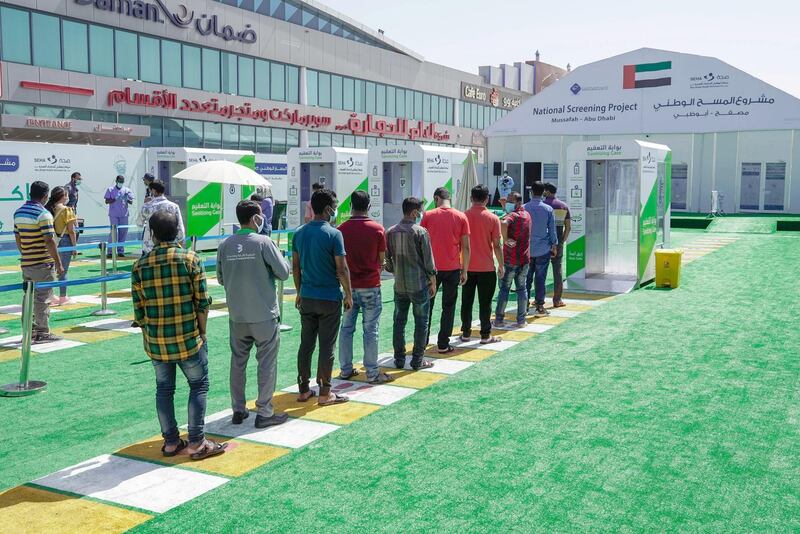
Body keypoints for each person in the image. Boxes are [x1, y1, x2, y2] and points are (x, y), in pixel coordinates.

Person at [132, 210, 225, 461]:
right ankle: (197, 442)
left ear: (152, 234)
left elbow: (139, 311)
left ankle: (171, 442)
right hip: (188, 337)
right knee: (198, 385)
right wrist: (202, 332)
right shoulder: (191, 259)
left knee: (164, 389)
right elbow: (202, 302)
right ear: (178, 231)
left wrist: (148, 334)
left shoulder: (140, 265)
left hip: (157, 341)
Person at [217, 200, 290, 428]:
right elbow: (283, 272)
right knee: (266, 362)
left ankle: (238, 410)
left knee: (238, 362)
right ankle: (265, 412)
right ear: (255, 218)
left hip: (237, 315)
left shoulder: (225, 244)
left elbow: (220, 278)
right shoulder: (263, 242)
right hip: (264, 314)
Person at [292, 188, 353, 406]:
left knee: (306, 344)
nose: (335, 211)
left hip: (307, 296)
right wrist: (348, 293)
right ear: (328, 209)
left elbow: (296, 268)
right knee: (327, 346)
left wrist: (299, 292)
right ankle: (325, 392)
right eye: (335, 208)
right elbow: (342, 268)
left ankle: (302, 389)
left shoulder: (299, 233)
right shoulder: (334, 234)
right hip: (329, 298)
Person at [337, 190, 393, 384]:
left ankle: (345, 369)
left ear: (350, 206)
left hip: (348, 287)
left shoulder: (341, 230)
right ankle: (371, 372)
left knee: (346, 329)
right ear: (369, 206)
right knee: (371, 330)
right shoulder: (378, 229)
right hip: (371, 285)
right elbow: (381, 260)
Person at [385, 197, 437, 370]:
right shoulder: (420, 232)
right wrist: (433, 281)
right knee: (421, 322)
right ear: (415, 212)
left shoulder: (390, 232)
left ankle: (399, 359)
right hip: (419, 284)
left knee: (399, 322)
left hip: (399, 284)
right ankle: (417, 360)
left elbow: (388, 260)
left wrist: (395, 269)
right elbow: (428, 261)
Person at [13, 181, 64, 343]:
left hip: (27, 262)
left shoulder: (18, 212)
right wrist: (58, 263)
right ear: (45, 196)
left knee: (28, 297)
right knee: (43, 298)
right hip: (42, 263)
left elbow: (17, 236)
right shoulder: (43, 214)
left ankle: (29, 331)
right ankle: (42, 332)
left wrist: (25, 253)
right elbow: (49, 241)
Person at [421, 187, 470, 354]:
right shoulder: (461, 216)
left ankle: (423, 340)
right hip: (453, 267)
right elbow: (466, 247)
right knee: (448, 307)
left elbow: (422, 242)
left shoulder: (428, 215)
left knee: (428, 305)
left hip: (431, 268)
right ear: (450, 199)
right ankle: (443, 343)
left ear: (436, 198)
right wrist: (465, 270)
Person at [460, 184, 503, 344]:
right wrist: (501, 264)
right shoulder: (493, 218)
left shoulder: (463, 216)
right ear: (487, 199)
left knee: (466, 301)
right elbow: (497, 245)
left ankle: (465, 333)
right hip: (486, 267)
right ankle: (485, 335)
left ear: (471, 198)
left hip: (467, 267)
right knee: (485, 303)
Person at [493, 192, 532, 328]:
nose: (508, 202)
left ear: (518, 202)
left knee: (504, 289)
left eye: (510, 200)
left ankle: (499, 319)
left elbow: (503, 222)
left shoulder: (513, 216)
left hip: (510, 259)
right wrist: (505, 207)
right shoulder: (526, 215)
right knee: (522, 289)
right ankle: (521, 320)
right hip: (524, 258)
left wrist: (506, 238)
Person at [524, 182, 558, 317]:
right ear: (543, 192)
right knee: (540, 279)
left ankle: (524, 306)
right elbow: (552, 230)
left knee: (526, 279)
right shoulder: (548, 209)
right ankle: (539, 306)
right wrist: (554, 245)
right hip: (543, 249)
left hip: (527, 249)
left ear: (531, 192)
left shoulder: (524, 208)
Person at [45, 186, 78, 306]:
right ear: (62, 197)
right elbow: (71, 231)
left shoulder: (49, 208)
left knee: (52, 269)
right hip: (65, 240)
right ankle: (63, 297)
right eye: (66, 195)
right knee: (63, 270)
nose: (68, 197)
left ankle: (51, 295)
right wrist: (74, 247)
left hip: (52, 240)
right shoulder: (67, 210)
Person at [543, 182, 572, 308]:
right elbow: (568, 227)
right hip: (558, 242)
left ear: (548, 192)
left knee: (540, 271)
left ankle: (539, 299)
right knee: (557, 271)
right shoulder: (564, 206)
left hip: (542, 242)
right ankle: (557, 299)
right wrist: (562, 241)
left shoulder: (543, 205)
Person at [137, 179, 185, 255]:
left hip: (150, 246)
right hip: (171, 247)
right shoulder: (174, 206)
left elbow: (139, 223)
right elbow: (180, 228)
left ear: (153, 191)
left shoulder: (147, 206)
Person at [104, 175, 135, 257]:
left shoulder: (127, 190)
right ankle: (110, 251)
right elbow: (106, 201)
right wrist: (115, 198)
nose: (120, 183)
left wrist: (126, 198)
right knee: (114, 232)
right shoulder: (110, 189)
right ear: (116, 181)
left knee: (123, 232)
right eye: (119, 181)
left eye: (122, 182)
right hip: (114, 214)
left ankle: (120, 251)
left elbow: (131, 201)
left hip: (124, 214)